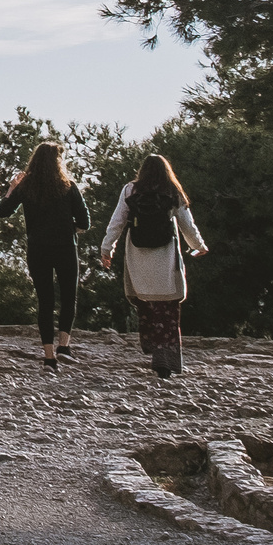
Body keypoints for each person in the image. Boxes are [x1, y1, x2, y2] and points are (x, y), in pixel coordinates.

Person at [99, 153, 209, 378]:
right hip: (165, 255)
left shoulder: (130, 190)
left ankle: (150, 344)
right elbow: (188, 224)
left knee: (145, 302)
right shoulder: (172, 191)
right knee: (168, 308)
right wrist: (199, 246)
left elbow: (117, 221)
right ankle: (165, 356)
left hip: (137, 255)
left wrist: (106, 249)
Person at [0, 141, 92, 365]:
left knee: (45, 301)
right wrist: (69, 227)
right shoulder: (68, 186)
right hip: (66, 247)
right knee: (69, 297)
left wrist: (12, 187)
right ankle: (64, 347)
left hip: (37, 249)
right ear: (58, 162)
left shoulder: (26, 186)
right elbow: (85, 222)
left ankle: (49, 358)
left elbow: (3, 211)